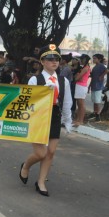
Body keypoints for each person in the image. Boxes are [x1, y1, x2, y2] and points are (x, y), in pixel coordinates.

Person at [19, 44, 72, 197]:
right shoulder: (35, 80)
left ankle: (41, 182)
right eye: (49, 59)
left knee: (51, 152)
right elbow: (29, 103)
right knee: (41, 153)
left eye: (56, 59)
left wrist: (68, 121)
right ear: (42, 61)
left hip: (55, 116)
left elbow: (67, 102)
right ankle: (26, 166)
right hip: (39, 117)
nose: (54, 62)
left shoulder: (63, 81)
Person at [88, 54, 108, 121]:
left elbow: (107, 70)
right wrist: (89, 86)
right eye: (93, 58)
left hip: (98, 86)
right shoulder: (95, 67)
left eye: (95, 58)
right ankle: (95, 112)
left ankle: (98, 115)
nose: (93, 60)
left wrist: (102, 76)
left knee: (97, 101)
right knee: (94, 100)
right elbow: (93, 77)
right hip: (93, 85)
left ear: (99, 59)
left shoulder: (101, 66)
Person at [72, 54, 91, 126]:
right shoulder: (84, 67)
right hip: (80, 86)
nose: (80, 60)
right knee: (79, 104)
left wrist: (77, 76)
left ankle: (80, 120)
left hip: (81, 86)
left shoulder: (86, 68)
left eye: (82, 59)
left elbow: (77, 78)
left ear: (85, 59)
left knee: (81, 104)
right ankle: (78, 119)